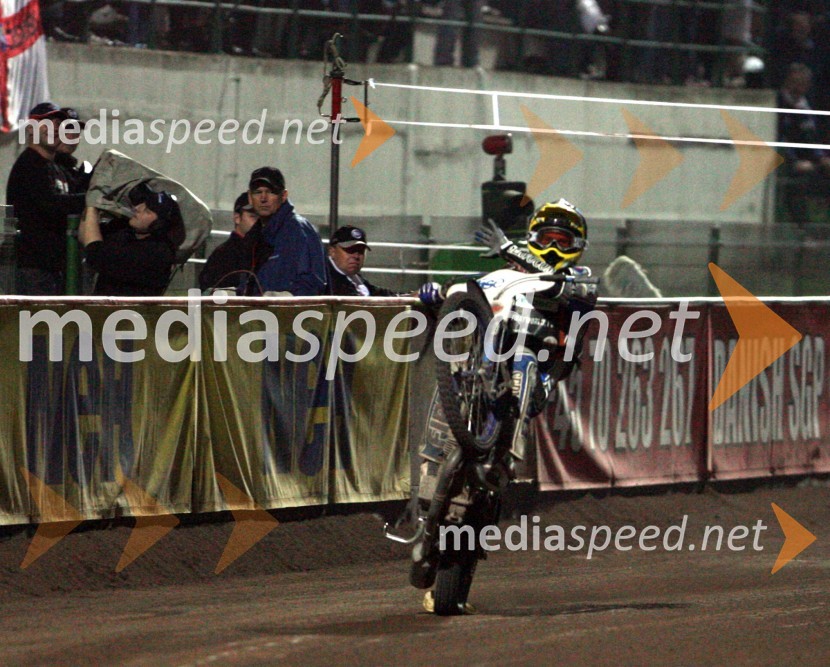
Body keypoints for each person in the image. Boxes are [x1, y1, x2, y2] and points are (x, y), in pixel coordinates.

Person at [419, 198, 597, 470]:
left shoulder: (582, 278)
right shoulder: (512, 270)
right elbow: (476, 286)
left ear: (578, 246)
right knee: (458, 365)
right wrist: (440, 292)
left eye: (562, 242)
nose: (553, 248)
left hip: (547, 364)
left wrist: (511, 250)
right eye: (547, 239)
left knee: (524, 361)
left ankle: (509, 455)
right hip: (497, 351)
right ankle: (433, 454)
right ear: (533, 239)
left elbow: (556, 286)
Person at [6, 102, 87, 295]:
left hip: (54, 268)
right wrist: (90, 199)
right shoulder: (29, 165)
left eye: (58, 124)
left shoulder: (54, 167)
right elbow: (51, 205)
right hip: (35, 269)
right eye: (47, 123)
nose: (55, 128)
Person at [79, 185, 184, 296]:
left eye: (147, 211)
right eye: (142, 204)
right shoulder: (126, 231)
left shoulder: (158, 251)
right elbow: (85, 236)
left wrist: (92, 207)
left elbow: (95, 253)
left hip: (132, 307)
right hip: (106, 305)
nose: (137, 208)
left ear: (158, 224)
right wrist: (92, 205)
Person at [247, 166, 327, 296]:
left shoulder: (298, 231)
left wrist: (284, 299)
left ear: (283, 196)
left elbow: (312, 284)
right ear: (250, 197)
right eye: (257, 192)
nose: (263, 198)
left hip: (289, 309)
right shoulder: (254, 237)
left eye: (270, 192)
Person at [776, 63, 830, 225]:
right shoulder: (779, 103)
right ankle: (800, 226)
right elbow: (780, 137)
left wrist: (822, 157)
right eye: (796, 82)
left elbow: (811, 136)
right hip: (786, 161)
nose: (800, 87)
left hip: (810, 159)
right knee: (797, 183)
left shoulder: (806, 104)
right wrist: (793, 161)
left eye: (804, 83)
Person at [199, 191, 267, 292]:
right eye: (253, 216)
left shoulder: (262, 250)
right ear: (237, 218)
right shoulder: (224, 256)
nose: (259, 222)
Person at [327, 225, 396, 296]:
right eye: (350, 250)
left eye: (360, 251)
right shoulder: (325, 281)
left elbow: (376, 292)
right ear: (332, 252)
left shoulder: (355, 278)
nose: (356, 256)